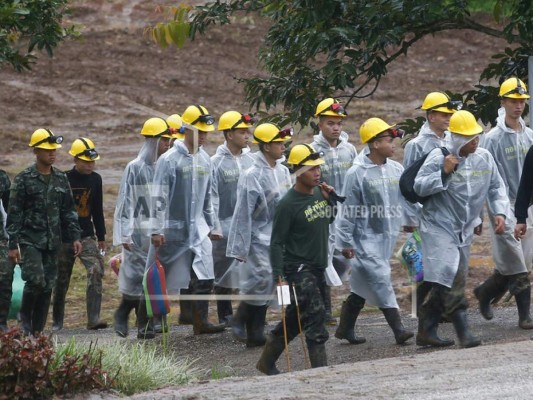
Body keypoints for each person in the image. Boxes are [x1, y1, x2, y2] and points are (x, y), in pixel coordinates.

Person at [414, 110, 510, 348]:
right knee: (450, 271)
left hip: (464, 227)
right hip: (438, 225)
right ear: (456, 138)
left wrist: (499, 212)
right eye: (469, 138)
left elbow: (497, 187)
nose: (475, 142)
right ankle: (463, 331)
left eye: (476, 137)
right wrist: (443, 172)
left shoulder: (484, 158)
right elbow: (418, 187)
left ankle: (426, 325)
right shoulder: (439, 157)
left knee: (451, 276)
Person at [147, 104, 225, 336]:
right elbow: (159, 195)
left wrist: (213, 225)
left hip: (198, 226)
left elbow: (210, 195)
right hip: (172, 227)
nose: (203, 136)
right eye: (199, 131)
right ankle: (152, 321)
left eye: (205, 132)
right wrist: (156, 228)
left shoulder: (205, 160)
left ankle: (200, 321)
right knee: (162, 273)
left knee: (205, 272)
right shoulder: (169, 160)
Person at [335, 118, 414, 346]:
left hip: (386, 237)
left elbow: (405, 199)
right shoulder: (357, 174)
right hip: (364, 238)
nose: (393, 145)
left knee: (363, 283)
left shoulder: (395, 169)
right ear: (375, 144)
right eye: (389, 141)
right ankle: (398, 330)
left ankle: (345, 327)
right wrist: (345, 242)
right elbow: (348, 211)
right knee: (380, 278)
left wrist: (411, 220)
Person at [256, 144, 333, 375]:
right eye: (311, 169)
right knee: (316, 315)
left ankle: (266, 362)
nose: (317, 173)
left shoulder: (321, 193)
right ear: (298, 172)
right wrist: (279, 277)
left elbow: (326, 222)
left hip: (318, 266)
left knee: (296, 317)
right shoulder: (287, 204)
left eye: (318, 168)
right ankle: (321, 373)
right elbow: (277, 243)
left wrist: (330, 202)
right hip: (299, 269)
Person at [7, 128, 82, 335]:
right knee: (35, 281)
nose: (52, 153)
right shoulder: (24, 179)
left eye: (54, 150)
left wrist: (75, 236)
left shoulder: (60, 178)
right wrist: (13, 245)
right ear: (36, 152)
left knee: (48, 286)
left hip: (53, 242)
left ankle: (37, 333)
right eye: (47, 150)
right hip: (30, 241)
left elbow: (68, 210)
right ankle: (25, 322)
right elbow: (14, 214)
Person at [226, 123, 292, 347]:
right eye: (278, 143)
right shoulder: (252, 175)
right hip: (257, 237)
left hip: (277, 237)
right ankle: (239, 319)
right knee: (261, 278)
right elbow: (243, 212)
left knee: (273, 281)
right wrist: (241, 246)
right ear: (265, 146)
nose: (283, 147)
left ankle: (255, 333)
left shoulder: (283, 171)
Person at [475, 77, 533, 329]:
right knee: (517, 263)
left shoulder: (530, 135)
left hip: (528, 207)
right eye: (513, 100)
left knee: (522, 259)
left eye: (521, 101)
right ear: (503, 102)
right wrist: (485, 212)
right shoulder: (493, 139)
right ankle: (524, 317)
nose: (518, 106)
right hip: (504, 206)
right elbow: (485, 178)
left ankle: (485, 292)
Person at [112, 117, 174, 338]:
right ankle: (128, 318)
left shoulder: (167, 167)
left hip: (158, 233)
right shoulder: (135, 168)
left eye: (169, 140)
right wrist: (124, 234)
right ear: (152, 141)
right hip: (138, 233)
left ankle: (147, 323)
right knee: (137, 279)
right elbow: (124, 201)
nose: (168, 144)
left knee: (152, 279)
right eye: (164, 140)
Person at [403, 92, 460, 313]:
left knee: (441, 261)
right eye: (443, 114)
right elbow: (407, 184)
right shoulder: (416, 145)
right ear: (430, 116)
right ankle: (423, 308)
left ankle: (434, 306)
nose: (448, 117)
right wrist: (411, 217)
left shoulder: (451, 140)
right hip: (424, 211)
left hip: (446, 210)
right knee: (429, 261)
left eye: (449, 113)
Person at [52, 138, 107, 331]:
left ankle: (94, 318)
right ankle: (58, 322)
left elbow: (98, 210)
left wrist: (101, 237)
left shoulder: (96, 179)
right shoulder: (62, 178)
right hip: (64, 237)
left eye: (92, 161)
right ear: (75, 160)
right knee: (61, 280)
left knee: (95, 271)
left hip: (87, 236)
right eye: (85, 161)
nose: (90, 165)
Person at [311, 98, 357, 325]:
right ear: (320, 124)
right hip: (322, 214)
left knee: (343, 260)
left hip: (345, 213)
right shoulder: (312, 151)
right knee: (322, 260)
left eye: (339, 123)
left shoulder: (349, 150)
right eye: (330, 123)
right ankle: (324, 310)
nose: (336, 127)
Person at [210, 111, 255, 325]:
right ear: (229, 134)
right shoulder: (215, 163)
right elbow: (211, 196)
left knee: (252, 269)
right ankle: (225, 314)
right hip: (225, 225)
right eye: (241, 132)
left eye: (247, 131)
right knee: (223, 270)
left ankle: (250, 314)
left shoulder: (252, 160)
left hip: (250, 225)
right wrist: (215, 225)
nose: (246, 135)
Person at [0, 170, 12, 332]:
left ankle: (2, 321)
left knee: (5, 277)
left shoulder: (2, 178)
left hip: (1, 239)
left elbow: (10, 209)